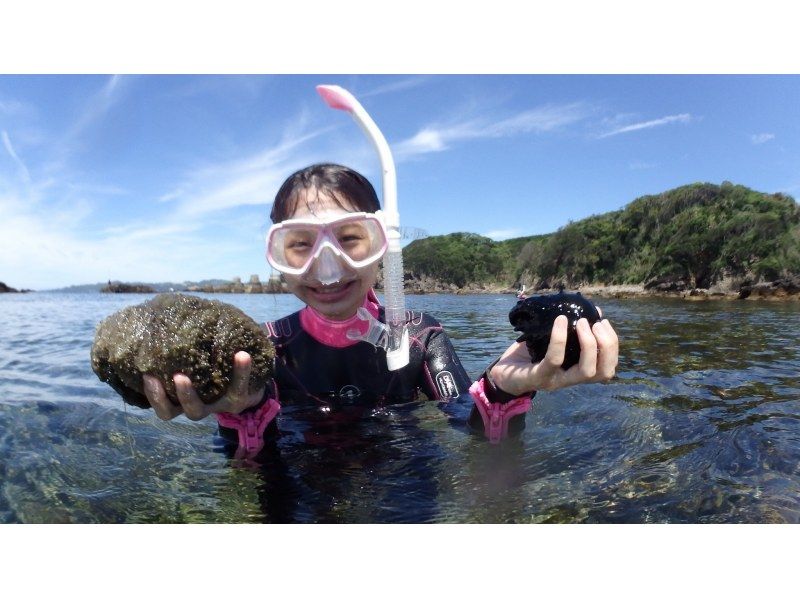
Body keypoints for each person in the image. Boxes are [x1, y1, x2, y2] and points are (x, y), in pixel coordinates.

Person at [142, 163, 618, 460]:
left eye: (350, 240)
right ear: (279, 259)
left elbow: (474, 431)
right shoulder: (266, 347)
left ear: (381, 248)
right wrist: (238, 411)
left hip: (401, 473)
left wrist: (503, 387)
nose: (327, 268)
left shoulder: (419, 337)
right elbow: (248, 457)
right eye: (300, 246)